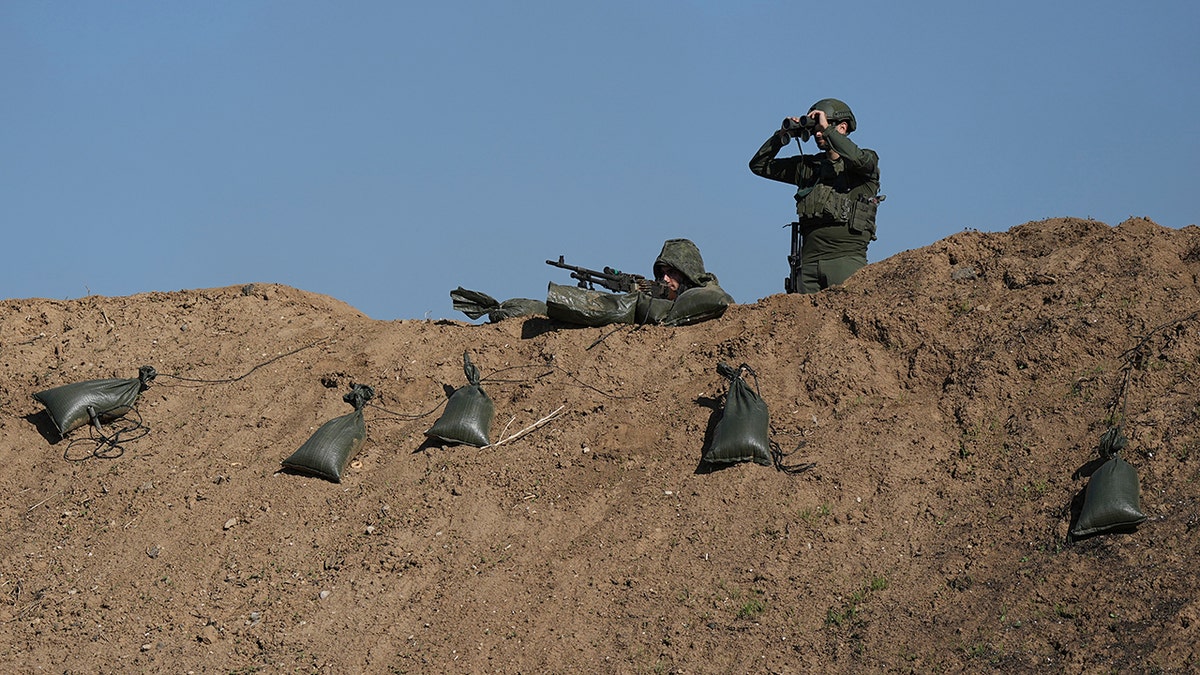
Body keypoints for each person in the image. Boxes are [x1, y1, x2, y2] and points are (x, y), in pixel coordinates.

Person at [749, 98, 882, 294]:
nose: (818, 133)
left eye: (823, 126)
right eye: (815, 128)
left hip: (845, 260)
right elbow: (759, 166)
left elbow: (858, 159)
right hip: (808, 264)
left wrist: (827, 130)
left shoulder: (864, 163)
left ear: (842, 127)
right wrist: (781, 136)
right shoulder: (808, 167)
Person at [451, 238, 733, 326]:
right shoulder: (660, 293)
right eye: (661, 273)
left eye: (672, 274)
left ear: (688, 273)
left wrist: (641, 298)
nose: (664, 279)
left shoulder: (705, 295)